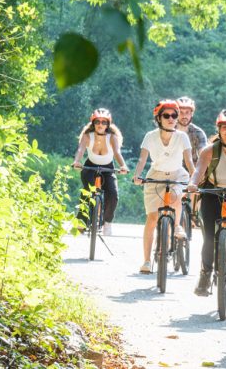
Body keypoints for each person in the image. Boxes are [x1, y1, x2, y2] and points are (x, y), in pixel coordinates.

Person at [188, 108, 226, 296]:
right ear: (219, 130)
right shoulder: (210, 150)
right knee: (208, 237)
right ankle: (205, 275)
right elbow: (198, 171)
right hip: (213, 192)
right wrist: (192, 184)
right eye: (224, 127)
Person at [133, 99, 195, 274]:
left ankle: (176, 226)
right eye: (166, 115)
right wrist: (137, 175)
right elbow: (142, 159)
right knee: (152, 218)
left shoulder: (182, 137)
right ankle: (146, 261)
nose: (171, 118)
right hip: (156, 175)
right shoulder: (150, 136)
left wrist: (195, 180)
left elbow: (189, 161)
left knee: (176, 196)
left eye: (174, 115)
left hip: (177, 173)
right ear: (158, 118)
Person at [72, 108, 129, 236]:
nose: (100, 125)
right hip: (90, 167)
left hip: (107, 168)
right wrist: (77, 161)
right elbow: (80, 150)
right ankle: (82, 220)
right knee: (87, 192)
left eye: (104, 122)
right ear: (93, 123)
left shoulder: (112, 137)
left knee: (113, 194)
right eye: (97, 121)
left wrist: (123, 166)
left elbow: (117, 153)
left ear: (108, 124)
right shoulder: (87, 136)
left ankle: (107, 222)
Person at [176, 96, 207, 165]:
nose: (184, 116)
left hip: (192, 171)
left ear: (191, 114)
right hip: (172, 170)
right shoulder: (169, 131)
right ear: (176, 114)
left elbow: (203, 154)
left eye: (187, 112)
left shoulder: (198, 133)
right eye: (181, 112)